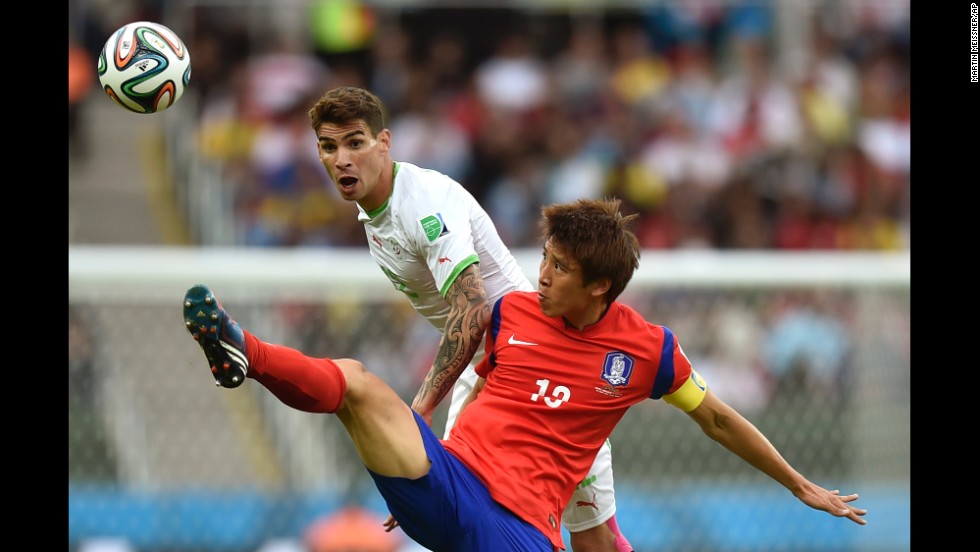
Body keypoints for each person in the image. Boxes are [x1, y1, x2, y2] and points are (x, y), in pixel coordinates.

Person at [183, 197, 867, 552]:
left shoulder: (649, 353)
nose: (541, 273)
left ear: (600, 287)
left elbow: (716, 418)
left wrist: (801, 484)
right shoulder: (508, 313)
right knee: (359, 382)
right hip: (447, 482)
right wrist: (414, 441)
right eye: (544, 256)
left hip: (517, 532)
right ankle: (245, 349)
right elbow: (463, 387)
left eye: (561, 268)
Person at [206, 85, 633, 551]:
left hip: (540, 368)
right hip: (491, 370)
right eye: (329, 147)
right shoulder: (376, 215)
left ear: (384, 143)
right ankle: (250, 354)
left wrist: (421, 412)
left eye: (355, 142)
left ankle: (251, 354)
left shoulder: (424, 203)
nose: (342, 158)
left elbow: (474, 311)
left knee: (594, 541)